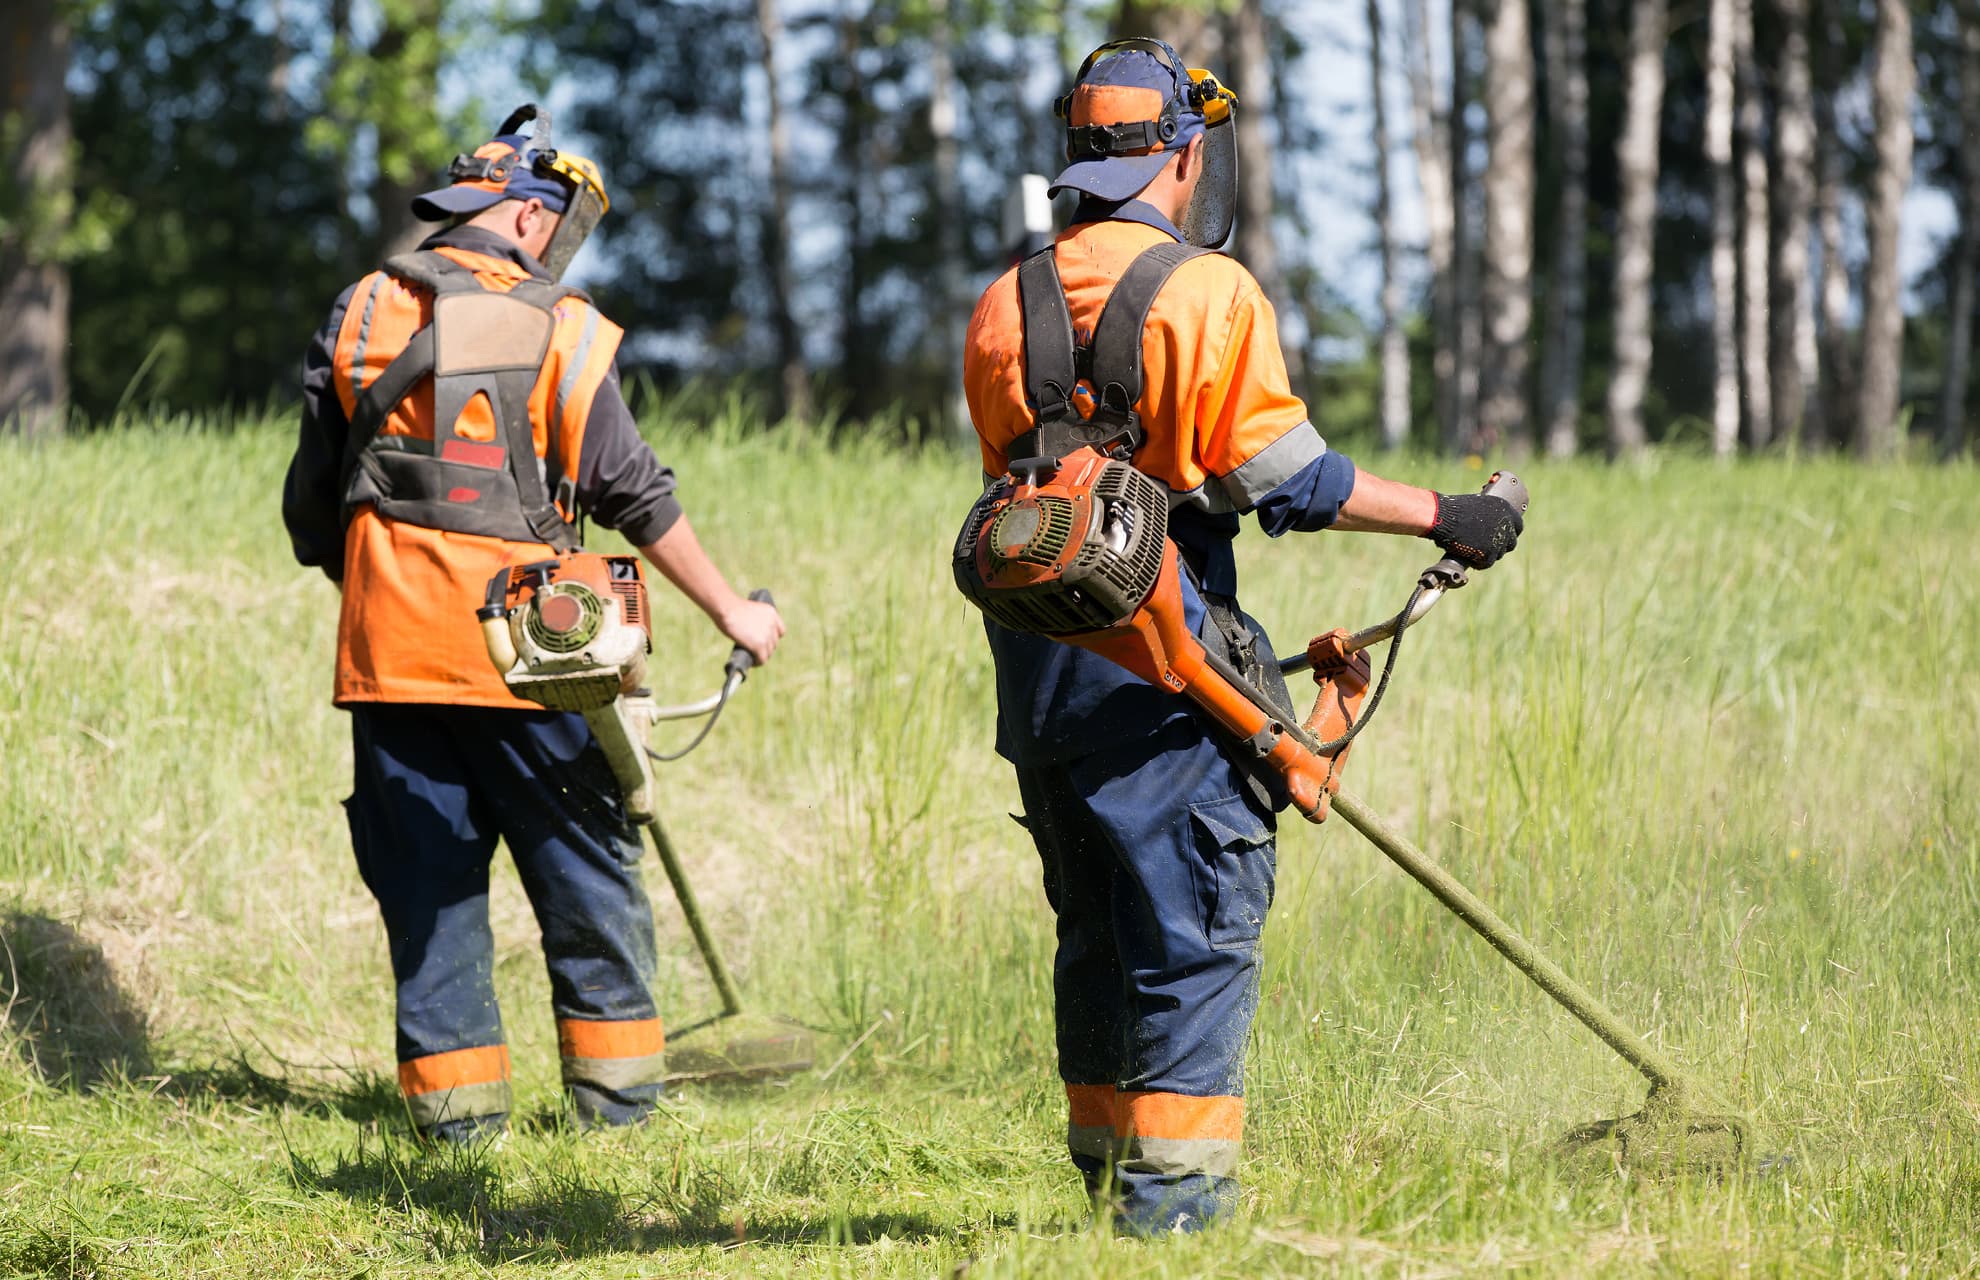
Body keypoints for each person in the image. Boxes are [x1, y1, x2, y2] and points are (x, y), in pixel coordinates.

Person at [961, 42, 1521, 1234]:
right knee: (1193, 939)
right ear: (1181, 155)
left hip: (1045, 684)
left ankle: (1110, 1197)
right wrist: (1451, 515)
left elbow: (1044, 498)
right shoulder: (1207, 293)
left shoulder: (1004, 302)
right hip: (1169, 685)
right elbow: (1292, 481)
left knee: (1098, 935)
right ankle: (1171, 1225)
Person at [282, 108, 784, 1143]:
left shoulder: (363, 309)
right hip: (538, 661)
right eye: (555, 226)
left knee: (429, 901)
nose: (559, 248)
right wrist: (737, 608)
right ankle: (617, 1128)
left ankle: (458, 1141)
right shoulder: (565, 327)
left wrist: (388, 584)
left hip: (390, 661)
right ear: (520, 215)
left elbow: (311, 509)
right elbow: (633, 492)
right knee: (589, 883)